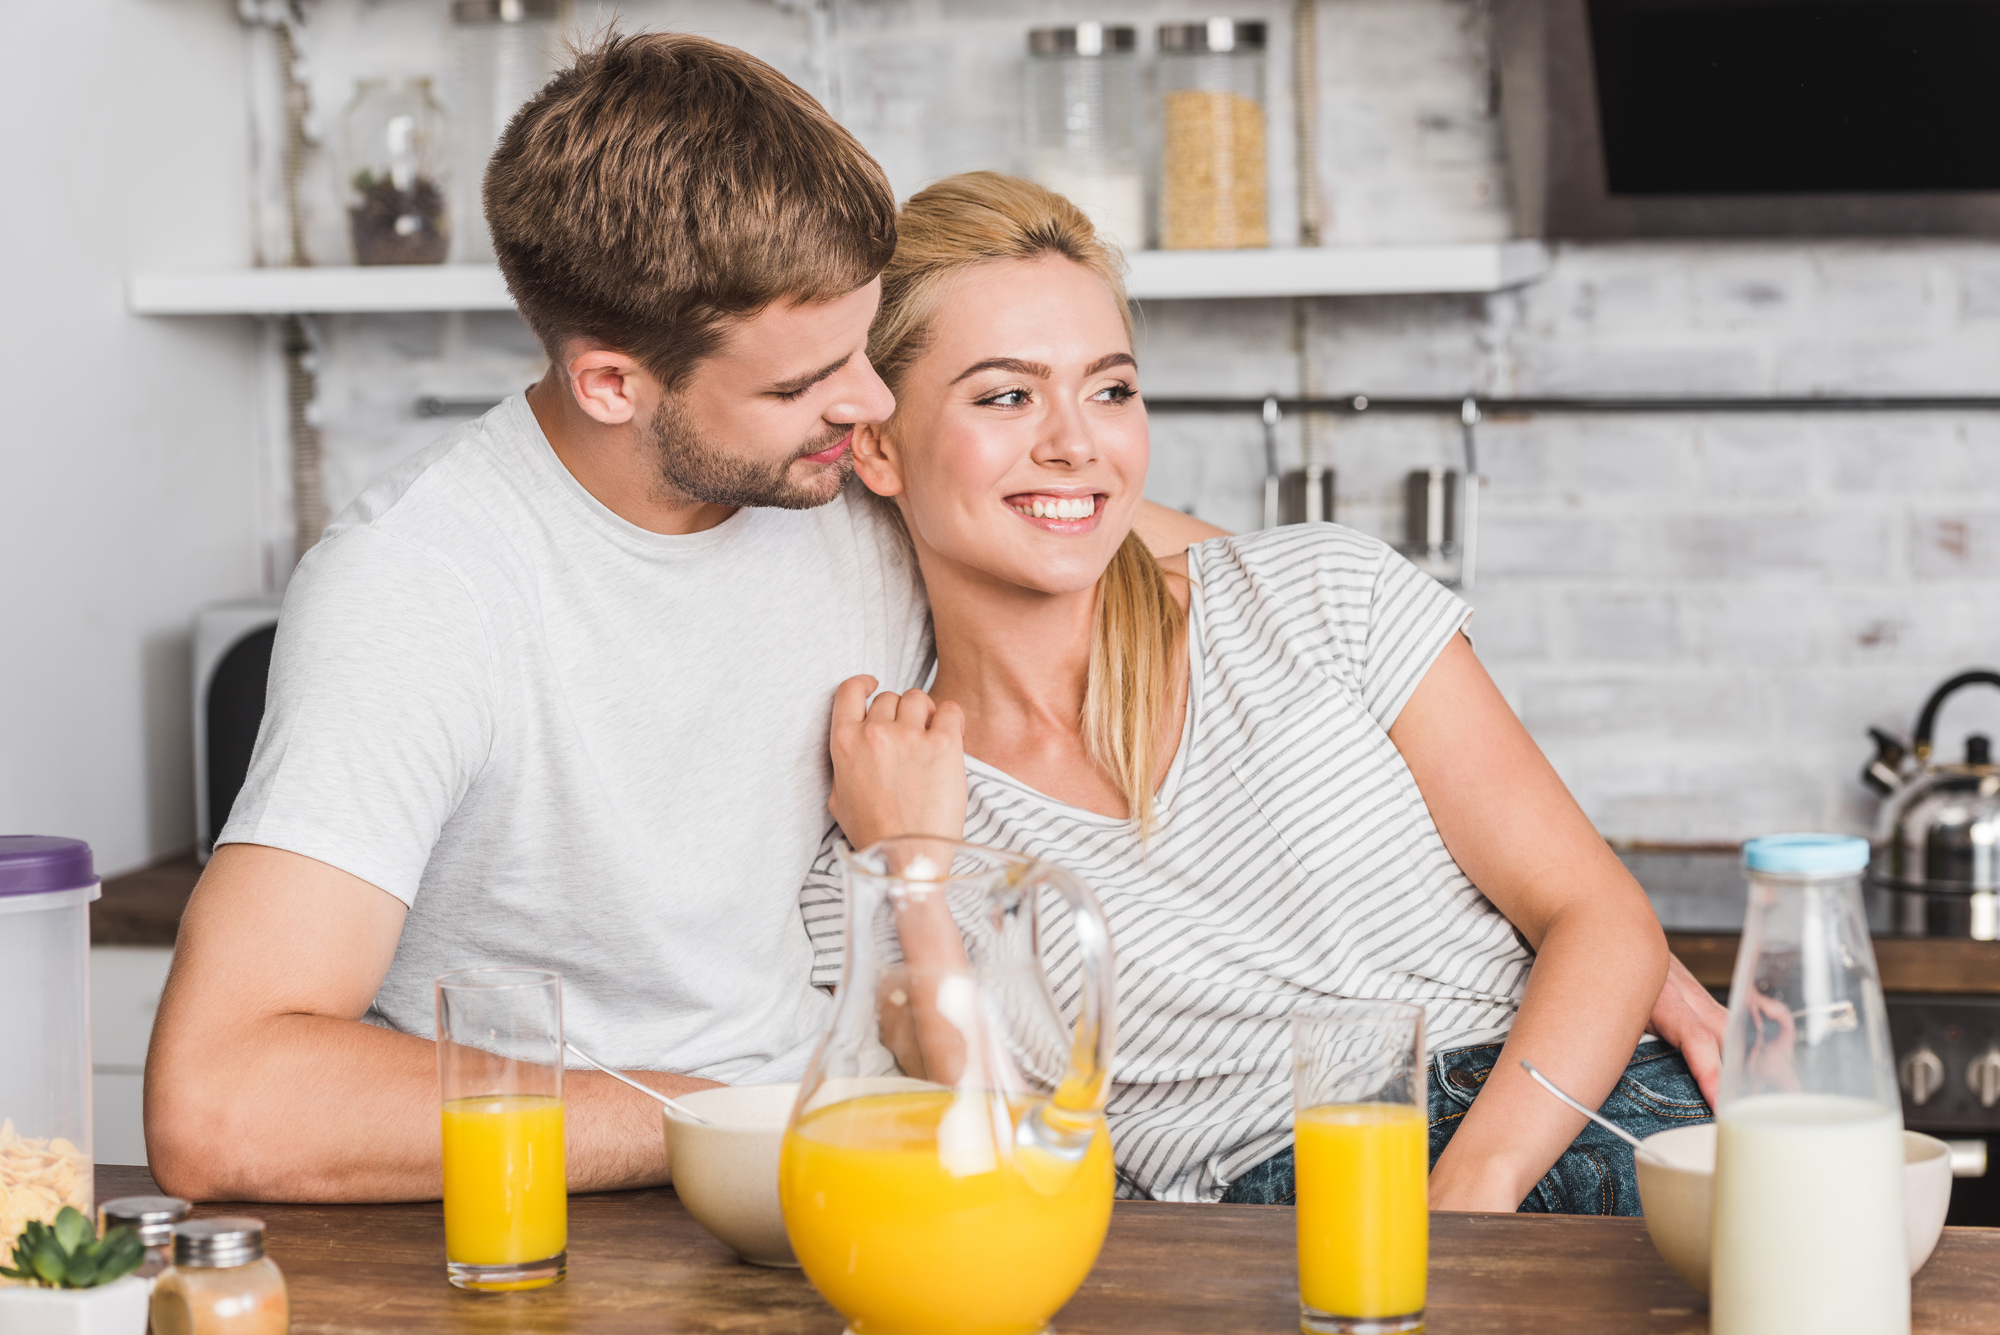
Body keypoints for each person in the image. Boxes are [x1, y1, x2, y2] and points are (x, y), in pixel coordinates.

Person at [143, 35, 1216, 1203]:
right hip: (583, 1217)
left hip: (859, 1174)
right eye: (801, 381)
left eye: (863, 346)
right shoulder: (421, 589)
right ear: (613, 383)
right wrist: (711, 1119)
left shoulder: (836, 472)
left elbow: (1136, 533)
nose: (864, 403)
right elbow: (221, 1100)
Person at [803, 172, 1727, 1212]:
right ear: (876, 445)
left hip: (1575, 1124)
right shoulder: (887, 818)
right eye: (1005, 394)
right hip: (1259, 1239)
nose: (1076, 441)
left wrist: (1465, 1205)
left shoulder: (1317, 598)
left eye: (1109, 389)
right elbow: (1002, 1184)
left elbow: (1597, 915)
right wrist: (916, 879)